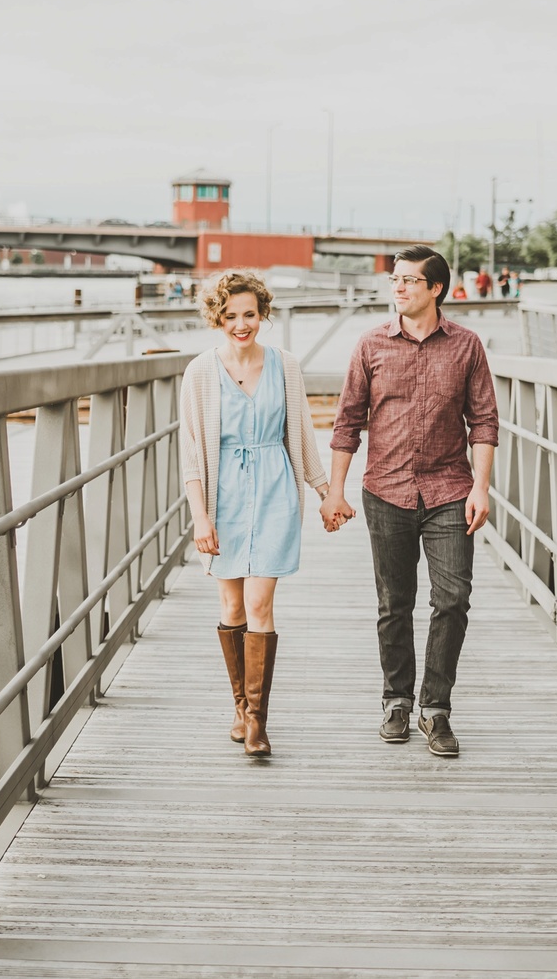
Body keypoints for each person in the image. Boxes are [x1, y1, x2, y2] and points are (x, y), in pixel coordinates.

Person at [321, 245, 500, 758]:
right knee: (393, 604)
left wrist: (481, 488)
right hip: (386, 491)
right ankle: (396, 700)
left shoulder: (467, 346)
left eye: (409, 281)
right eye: (395, 280)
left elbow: (483, 421)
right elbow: (347, 423)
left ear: (435, 289)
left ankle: (435, 708)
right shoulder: (370, 345)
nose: (398, 288)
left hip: (449, 491)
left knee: (453, 600)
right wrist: (335, 490)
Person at [179, 271, 331, 758]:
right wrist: (201, 518)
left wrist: (326, 490)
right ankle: (240, 709)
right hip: (222, 499)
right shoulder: (200, 372)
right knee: (231, 608)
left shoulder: (285, 365)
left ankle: (258, 723)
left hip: (274, 492)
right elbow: (191, 452)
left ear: (263, 313)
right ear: (216, 318)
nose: (241, 325)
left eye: (249, 314)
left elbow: (303, 432)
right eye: (230, 316)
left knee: (261, 604)